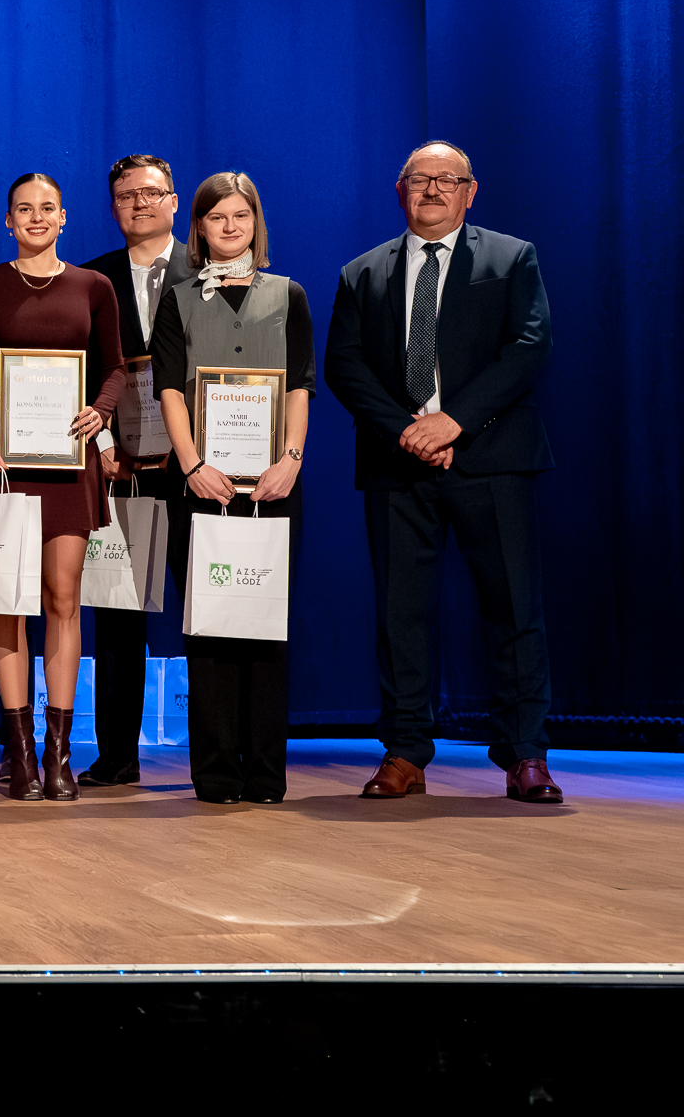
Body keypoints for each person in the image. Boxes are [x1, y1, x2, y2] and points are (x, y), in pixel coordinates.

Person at [325, 141, 559, 803]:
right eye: (419, 179)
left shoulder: (511, 257)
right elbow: (344, 364)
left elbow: (530, 345)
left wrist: (453, 422)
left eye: (447, 180)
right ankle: (404, 751)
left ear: (470, 191)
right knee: (400, 615)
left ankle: (525, 753)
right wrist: (408, 430)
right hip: (397, 464)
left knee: (514, 609)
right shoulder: (361, 272)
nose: (433, 189)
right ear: (399, 190)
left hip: (492, 458)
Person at [0, 173, 124, 801]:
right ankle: (21, 753)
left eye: (46, 208)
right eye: (23, 209)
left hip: (68, 463)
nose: (35, 217)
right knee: (7, 601)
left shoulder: (94, 286)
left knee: (63, 597)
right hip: (4, 462)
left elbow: (114, 368)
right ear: (6, 220)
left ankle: (59, 754)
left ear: (63, 217)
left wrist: (101, 412)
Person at [153, 172, 313, 804]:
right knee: (210, 628)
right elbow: (169, 389)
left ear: (256, 223)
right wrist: (192, 465)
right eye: (216, 217)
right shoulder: (178, 299)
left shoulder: (289, 295)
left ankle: (266, 773)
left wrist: (291, 460)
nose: (229, 227)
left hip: (274, 484)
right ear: (198, 226)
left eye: (240, 216)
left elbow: (299, 385)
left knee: (266, 625)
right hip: (202, 484)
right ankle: (217, 772)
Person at [80, 153, 195, 787]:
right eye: (127, 195)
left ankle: (213, 752)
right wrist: (102, 446)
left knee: (202, 609)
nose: (140, 204)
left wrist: (195, 451)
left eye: (152, 193)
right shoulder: (90, 278)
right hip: (120, 469)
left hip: (195, 471)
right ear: (113, 207)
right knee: (117, 616)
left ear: (174, 201)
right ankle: (118, 755)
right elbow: (83, 373)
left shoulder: (207, 269)